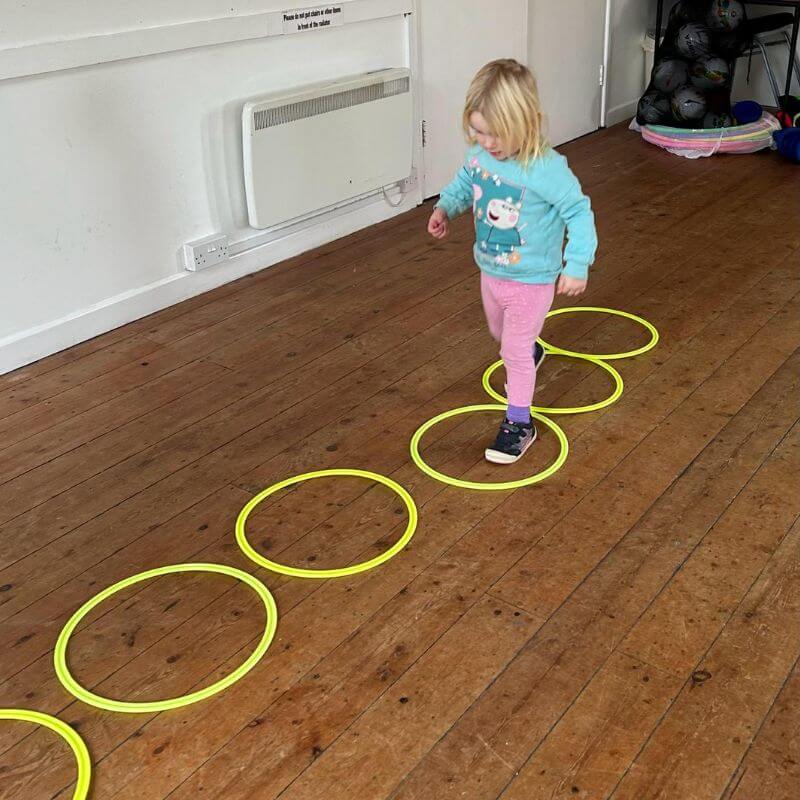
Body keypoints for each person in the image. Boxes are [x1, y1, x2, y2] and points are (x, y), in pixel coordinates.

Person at [428, 59, 597, 464]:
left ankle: (520, 422)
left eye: (494, 134)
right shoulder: (480, 156)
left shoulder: (546, 169)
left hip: (533, 278)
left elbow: (579, 212)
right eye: (477, 132)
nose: (485, 142)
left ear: (526, 122)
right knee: (499, 333)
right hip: (491, 271)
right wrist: (444, 208)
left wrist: (576, 264)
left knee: (513, 351)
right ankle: (529, 353)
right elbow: (464, 183)